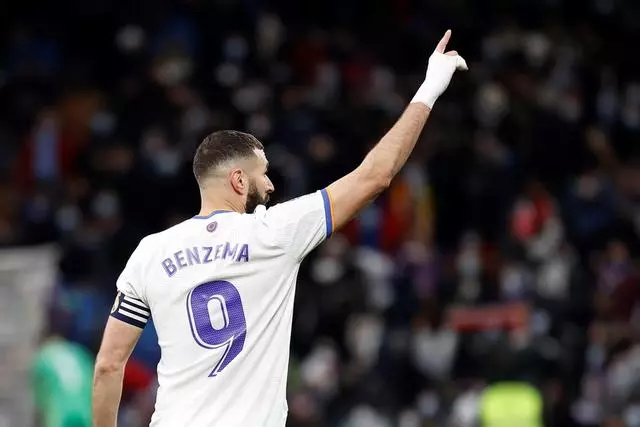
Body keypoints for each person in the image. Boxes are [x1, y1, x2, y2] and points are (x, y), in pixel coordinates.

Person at [92, 30, 467, 427]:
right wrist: (430, 87)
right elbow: (375, 175)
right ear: (239, 180)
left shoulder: (150, 252)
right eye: (264, 173)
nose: (270, 185)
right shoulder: (275, 232)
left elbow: (108, 365)